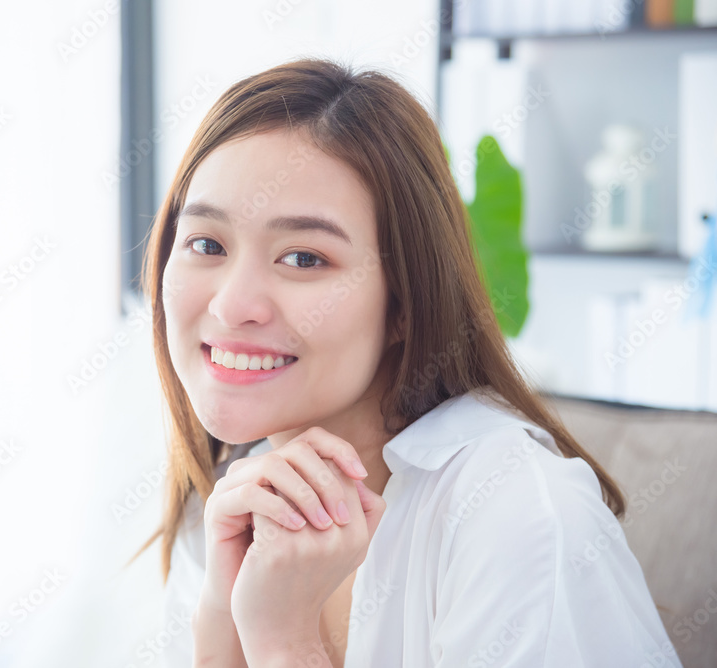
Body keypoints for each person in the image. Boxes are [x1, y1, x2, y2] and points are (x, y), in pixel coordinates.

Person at [131, 56, 682, 667]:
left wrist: (284, 641)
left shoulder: (516, 513)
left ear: (404, 303)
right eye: (206, 244)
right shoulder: (230, 505)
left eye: (304, 259)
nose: (234, 305)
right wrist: (221, 620)